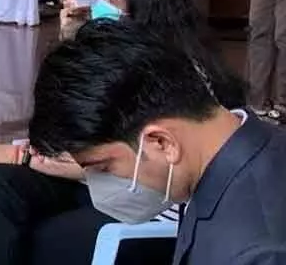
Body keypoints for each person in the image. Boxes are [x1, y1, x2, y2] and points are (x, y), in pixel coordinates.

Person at [0, 0, 247, 265]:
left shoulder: (174, 78)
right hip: (107, 184)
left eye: (112, 2)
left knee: (34, 237)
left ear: (140, 14)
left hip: (146, 203)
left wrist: (26, 158)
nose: (100, 9)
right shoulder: (127, 64)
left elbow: (130, 165)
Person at [28, 21, 286, 265]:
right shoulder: (229, 165)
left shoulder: (254, 250)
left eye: (104, 168)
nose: (99, 187)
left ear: (162, 142)